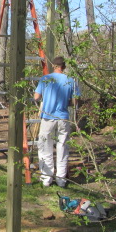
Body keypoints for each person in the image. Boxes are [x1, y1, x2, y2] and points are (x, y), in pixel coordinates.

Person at [33, 56, 80, 187]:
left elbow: (36, 97)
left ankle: (46, 179)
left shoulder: (45, 79)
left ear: (53, 66)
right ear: (64, 67)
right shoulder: (70, 80)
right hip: (63, 117)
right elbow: (76, 101)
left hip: (48, 117)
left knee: (44, 147)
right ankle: (61, 180)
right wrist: (65, 101)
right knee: (63, 147)